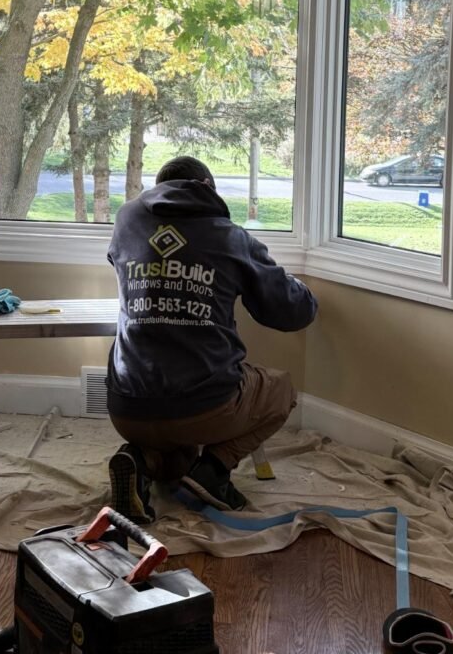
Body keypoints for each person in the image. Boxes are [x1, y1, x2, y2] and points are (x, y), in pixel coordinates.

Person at [106, 155, 317, 520]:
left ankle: (138, 460)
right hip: (203, 408)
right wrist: (299, 288)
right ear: (207, 188)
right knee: (280, 388)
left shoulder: (127, 221)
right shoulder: (229, 237)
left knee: (175, 461)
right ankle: (214, 472)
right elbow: (292, 312)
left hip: (126, 406)